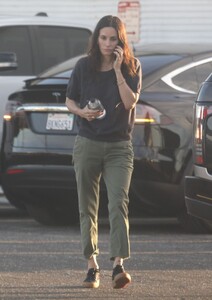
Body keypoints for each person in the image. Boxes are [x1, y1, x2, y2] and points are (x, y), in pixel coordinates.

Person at [65, 15, 142, 289]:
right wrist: (80, 111)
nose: (108, 44)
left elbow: (130, 102)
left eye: (113, 39)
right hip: (88, 143)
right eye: (103, 38)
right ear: (96, 39)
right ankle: (91, 266)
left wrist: (119, 71)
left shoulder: (132, 66)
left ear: (121, 41)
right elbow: (69, 99)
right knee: (87, 206)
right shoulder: (84, 66)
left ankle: (119, 265)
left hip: (119, 146)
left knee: (118, 203)